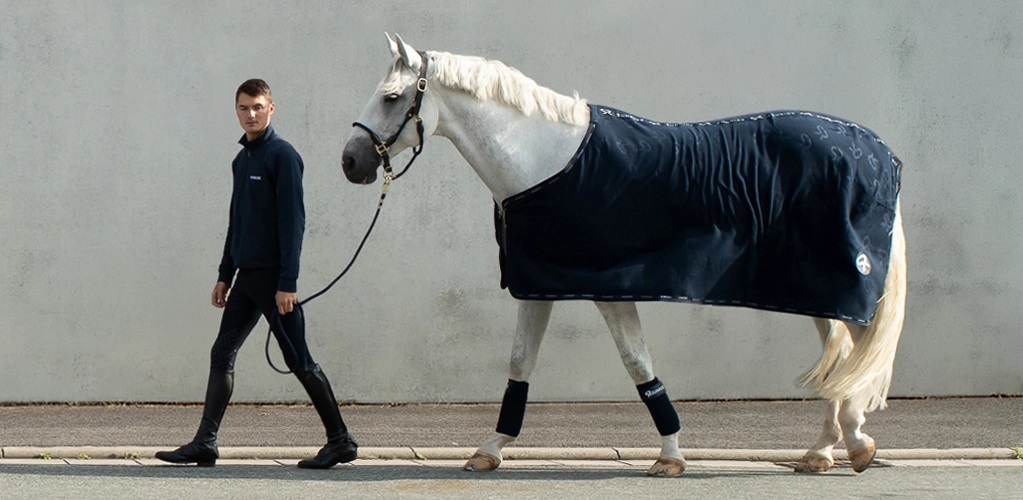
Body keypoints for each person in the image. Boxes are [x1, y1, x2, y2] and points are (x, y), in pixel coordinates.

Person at [155, 79, 357, 469]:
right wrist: (224, 274)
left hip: (274, 283)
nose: (251, 114)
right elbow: (237, 222)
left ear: (271, 108)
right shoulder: (241, 160)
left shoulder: (283, 156)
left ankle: (341, 440)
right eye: (244, 108)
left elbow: (293, 224)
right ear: (237, 111)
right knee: (221, 353)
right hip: (246, 280)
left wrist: (288, 283)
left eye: (258, 107)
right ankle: (205, 443)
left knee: (299, 359)